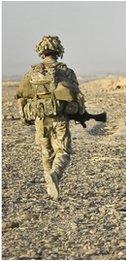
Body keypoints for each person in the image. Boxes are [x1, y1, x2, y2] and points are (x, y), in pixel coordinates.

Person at [15, 35, 86, 200]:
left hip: (40, 118)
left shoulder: (32, 73)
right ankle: (54, 175)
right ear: (58, 51)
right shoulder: (66, 72)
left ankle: (50, 188)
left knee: (46, 152)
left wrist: (24, 116)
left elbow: (22, 97)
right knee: (64, 151)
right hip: (60, 117)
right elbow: (76, 95)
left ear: (41, 52)